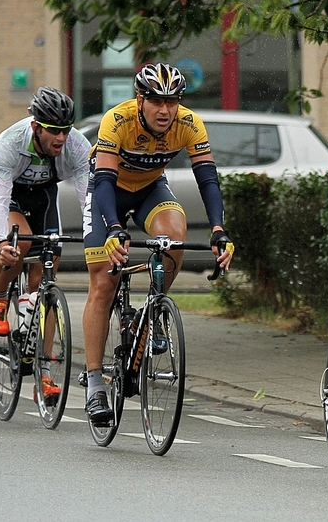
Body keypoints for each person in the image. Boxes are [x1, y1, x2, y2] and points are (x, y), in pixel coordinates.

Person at [82, 63, 234, 425]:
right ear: (140, 100)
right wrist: (116, 228)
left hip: (150, 189)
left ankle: (152, 310)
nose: (165, 110)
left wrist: (218, 230)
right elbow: (103, 179)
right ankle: (93, 383)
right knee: (104, 283)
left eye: (172, 101)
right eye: (157, 102)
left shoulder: (189, 123)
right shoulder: (116, 121)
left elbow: (208, 180)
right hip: (108, 192)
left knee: (175, 237)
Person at [0, 86, 91, 399]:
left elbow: (88, 197)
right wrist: (2, 242)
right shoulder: (10, 144)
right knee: (22, 244)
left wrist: (95, 234)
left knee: (46, 281)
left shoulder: (76, 147)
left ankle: (42, 373)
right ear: (36, 127)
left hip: (43, 193)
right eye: (54, 132)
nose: (61, 138)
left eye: (66, 131)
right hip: (9, 191)